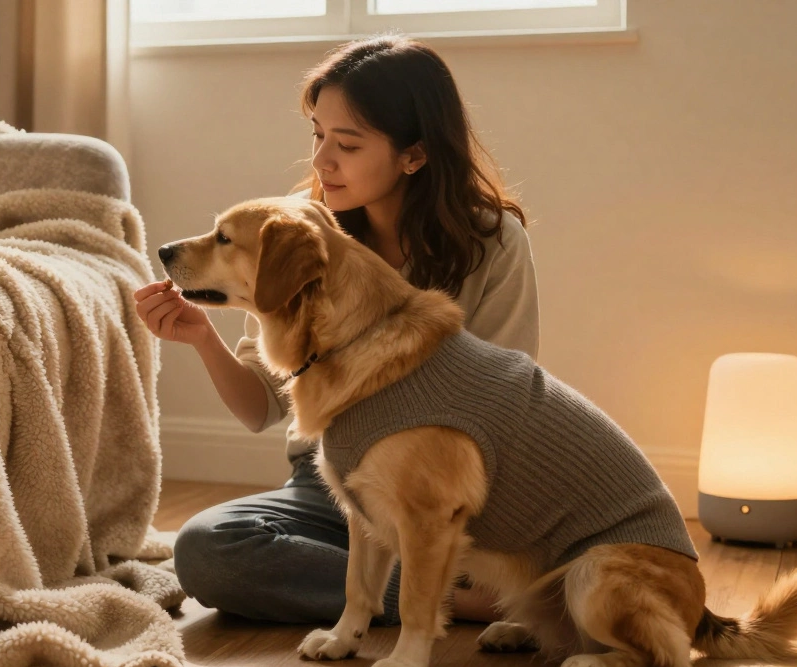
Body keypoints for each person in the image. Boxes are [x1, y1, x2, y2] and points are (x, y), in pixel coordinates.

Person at [132, 35, 539, 626]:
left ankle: (418, 580)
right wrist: (200, 336)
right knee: (206, 550)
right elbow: (262, 409)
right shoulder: (299, 228)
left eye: (346, 144)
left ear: (415, 155)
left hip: (440, 493)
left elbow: (499, 404)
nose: (323, 161)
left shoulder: (492, 241)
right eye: (318, 134)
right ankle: (445, 596)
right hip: (329, 484)